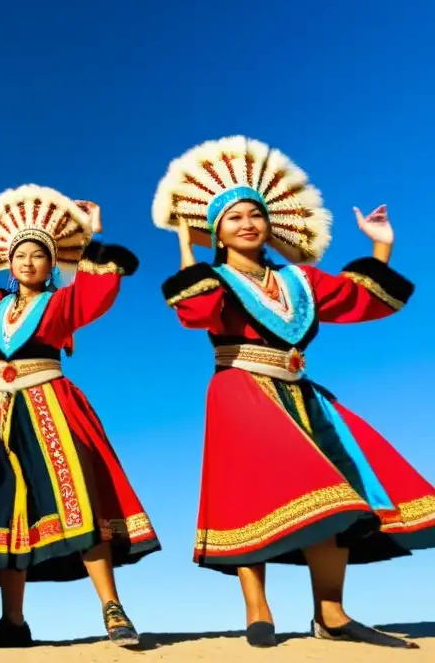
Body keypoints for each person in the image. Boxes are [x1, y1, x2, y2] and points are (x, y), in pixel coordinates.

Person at [153, 135, 433, 650]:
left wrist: (381, 245)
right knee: (255, 493)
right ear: (217, 230)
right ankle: (258, 611)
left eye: (254, 214)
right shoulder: (213, 279)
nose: (247, 223)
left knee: (336, 491)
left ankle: (332, 614)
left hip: (300, 390)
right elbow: (195, 315)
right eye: (233, 217)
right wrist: (185, 248)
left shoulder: (299, 279)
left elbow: (358, 299)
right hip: (240, 390)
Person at [0, 184, 160, 649]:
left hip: (51, 406)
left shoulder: (60, 304)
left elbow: (96, 290)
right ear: (8, 260)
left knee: (77, 496)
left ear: (51, 264)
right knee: (5, 508)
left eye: (38, 255)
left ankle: (112, 609)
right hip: (1, 413)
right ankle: (13, 624)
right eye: (19, 254)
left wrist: (92, 235)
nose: (27, 261)